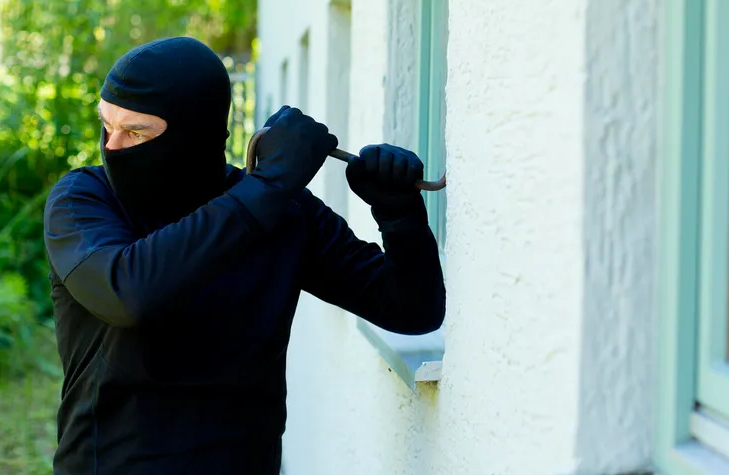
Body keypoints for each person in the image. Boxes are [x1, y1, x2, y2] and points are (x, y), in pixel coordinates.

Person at [44, 36, 446, 475]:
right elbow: (126, 292)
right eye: (107, 126)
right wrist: (270, 187)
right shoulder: (83, 200)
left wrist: (400, 214)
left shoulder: (283, 213)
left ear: (194, 136)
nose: (112, 147)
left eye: (136, 131)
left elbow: (412, 310)